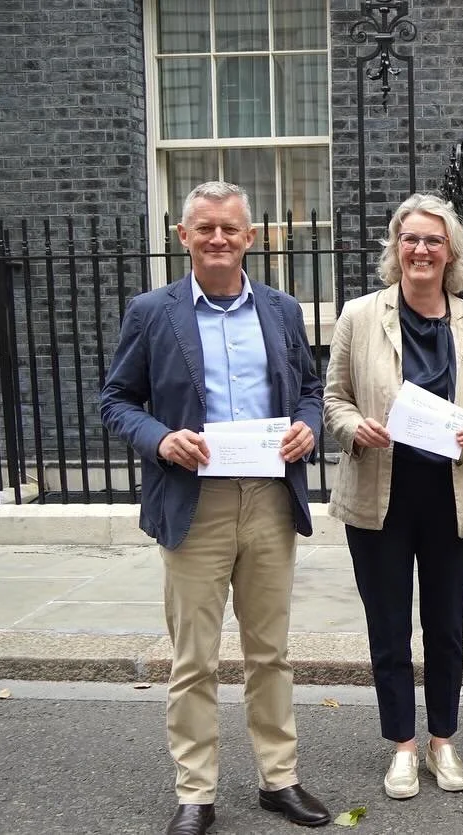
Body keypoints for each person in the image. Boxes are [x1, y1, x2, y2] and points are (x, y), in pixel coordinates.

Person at [100, 181, 329, 835]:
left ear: (251, 237)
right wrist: (161, 438)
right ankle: (195, 791)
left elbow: (309, 389)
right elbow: (117, 399)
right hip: (191, 500)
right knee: (194, 657)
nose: (219, 239)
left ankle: (277, 779)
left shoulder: (282, 310)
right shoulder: (152, 311)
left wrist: (309, 427)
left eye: (231, 228)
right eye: (206, 229)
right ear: (184, 236)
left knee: (270, 651)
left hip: (266, 497)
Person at [323, 193, 463, 799]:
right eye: (411, 239)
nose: (421, 250)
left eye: (433, 241)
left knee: (446, 626)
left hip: (449, 494)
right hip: (381, 492)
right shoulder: (359, 316)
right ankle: (402, 745)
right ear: (395, 249)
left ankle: (443, 741)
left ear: (451, 253)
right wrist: (353, 428)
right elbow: (334, 399)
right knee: (389, 625)